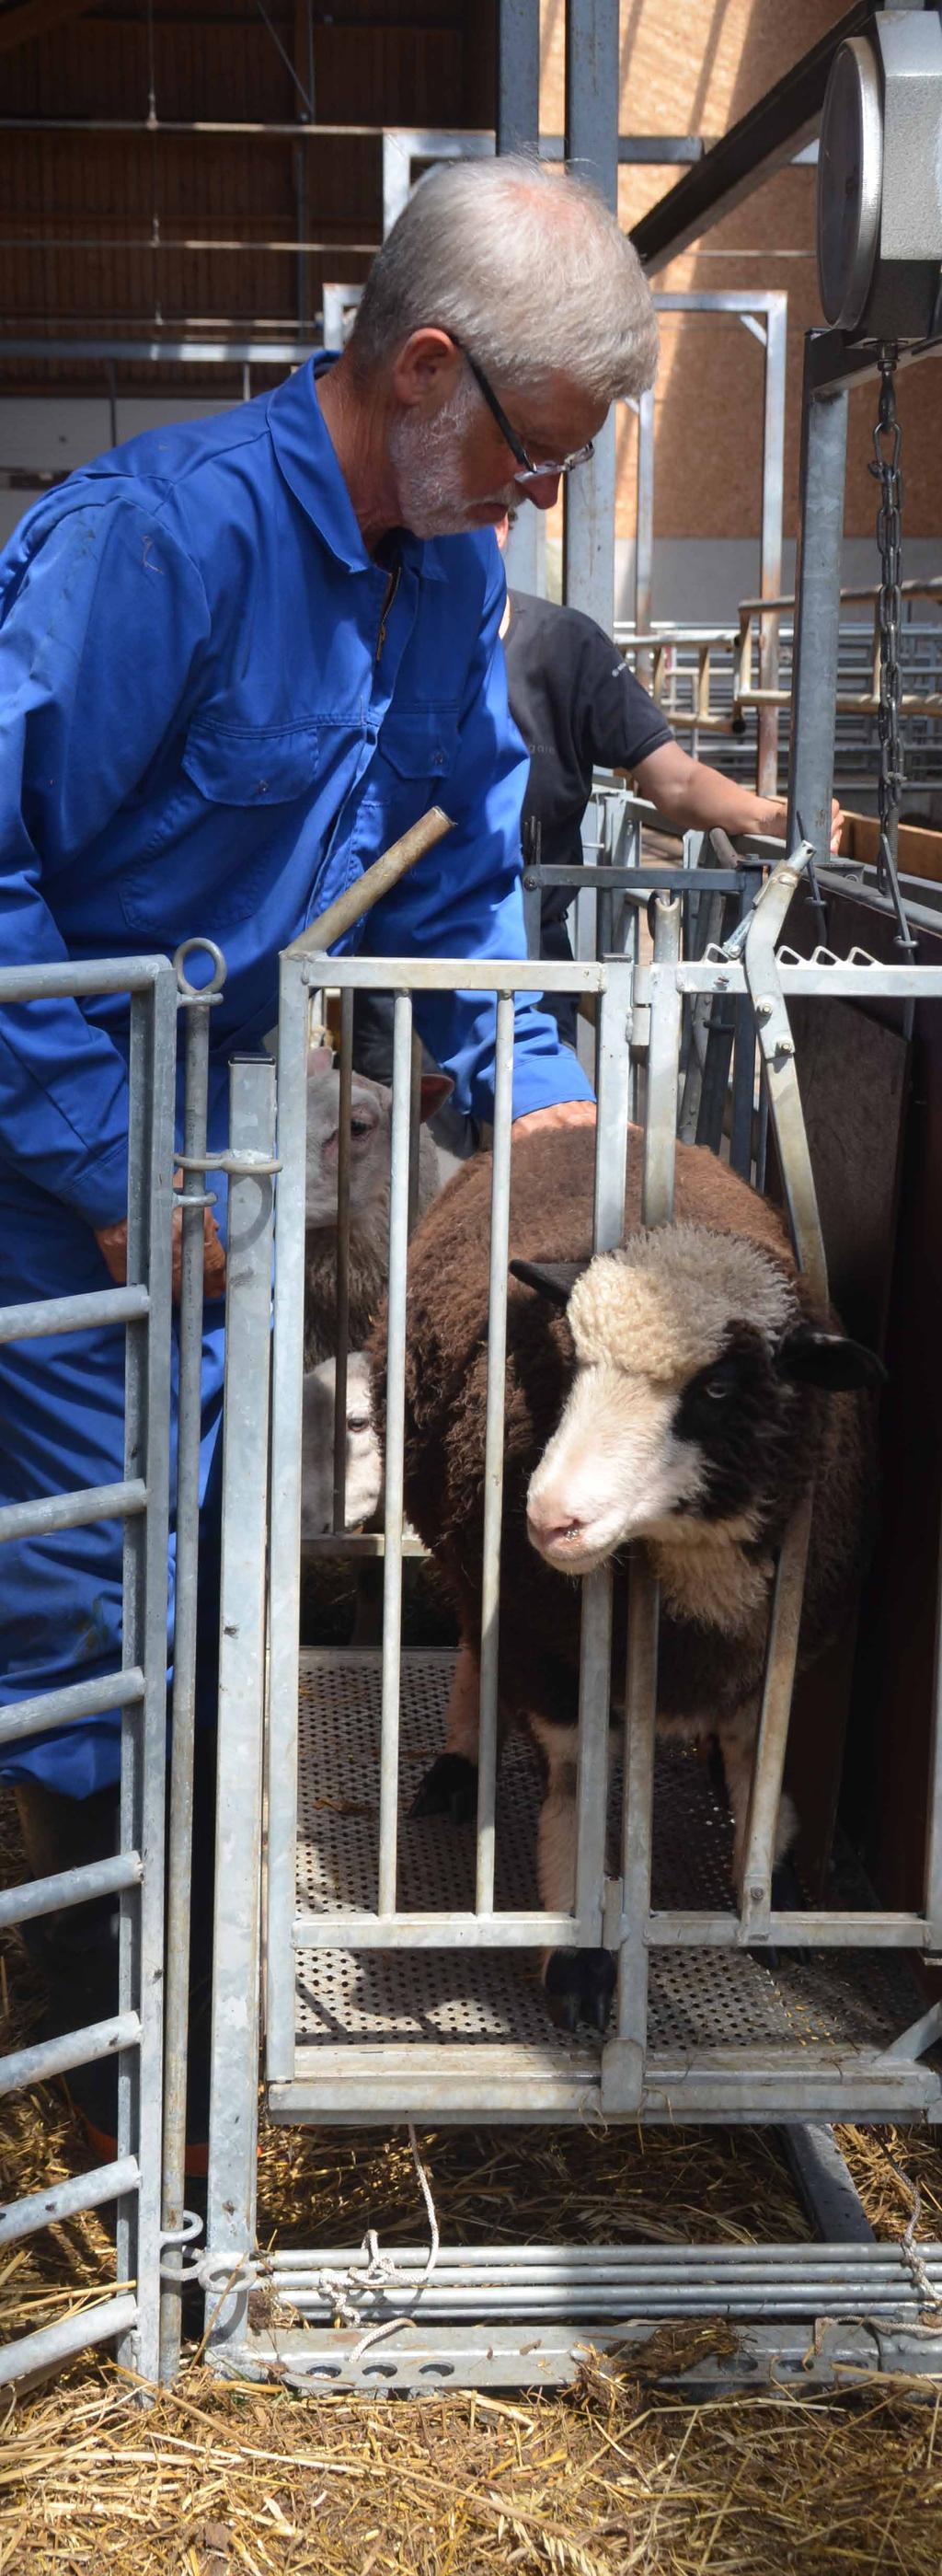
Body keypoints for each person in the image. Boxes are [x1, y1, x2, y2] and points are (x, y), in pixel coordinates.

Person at [0, 155, 658, 2143]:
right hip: (61, 1148)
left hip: (233, 1138)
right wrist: (112, 1158)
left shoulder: (446, 574)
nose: (537, 501)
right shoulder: (158, 545)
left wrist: (526, 1066)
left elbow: (446, 862)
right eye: (537, 455)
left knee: (201, 1550)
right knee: (82, 1588)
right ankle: (95, 2048)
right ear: (428, 369)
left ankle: (170, 1979)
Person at [497, 509, 845, 1047]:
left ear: (501, 526)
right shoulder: (388, 637)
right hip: (394, 959)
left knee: (535, 1121)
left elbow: (673, 780)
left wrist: (772, 818)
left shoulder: (563, 646)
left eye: (484, 513)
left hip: (528, 958)